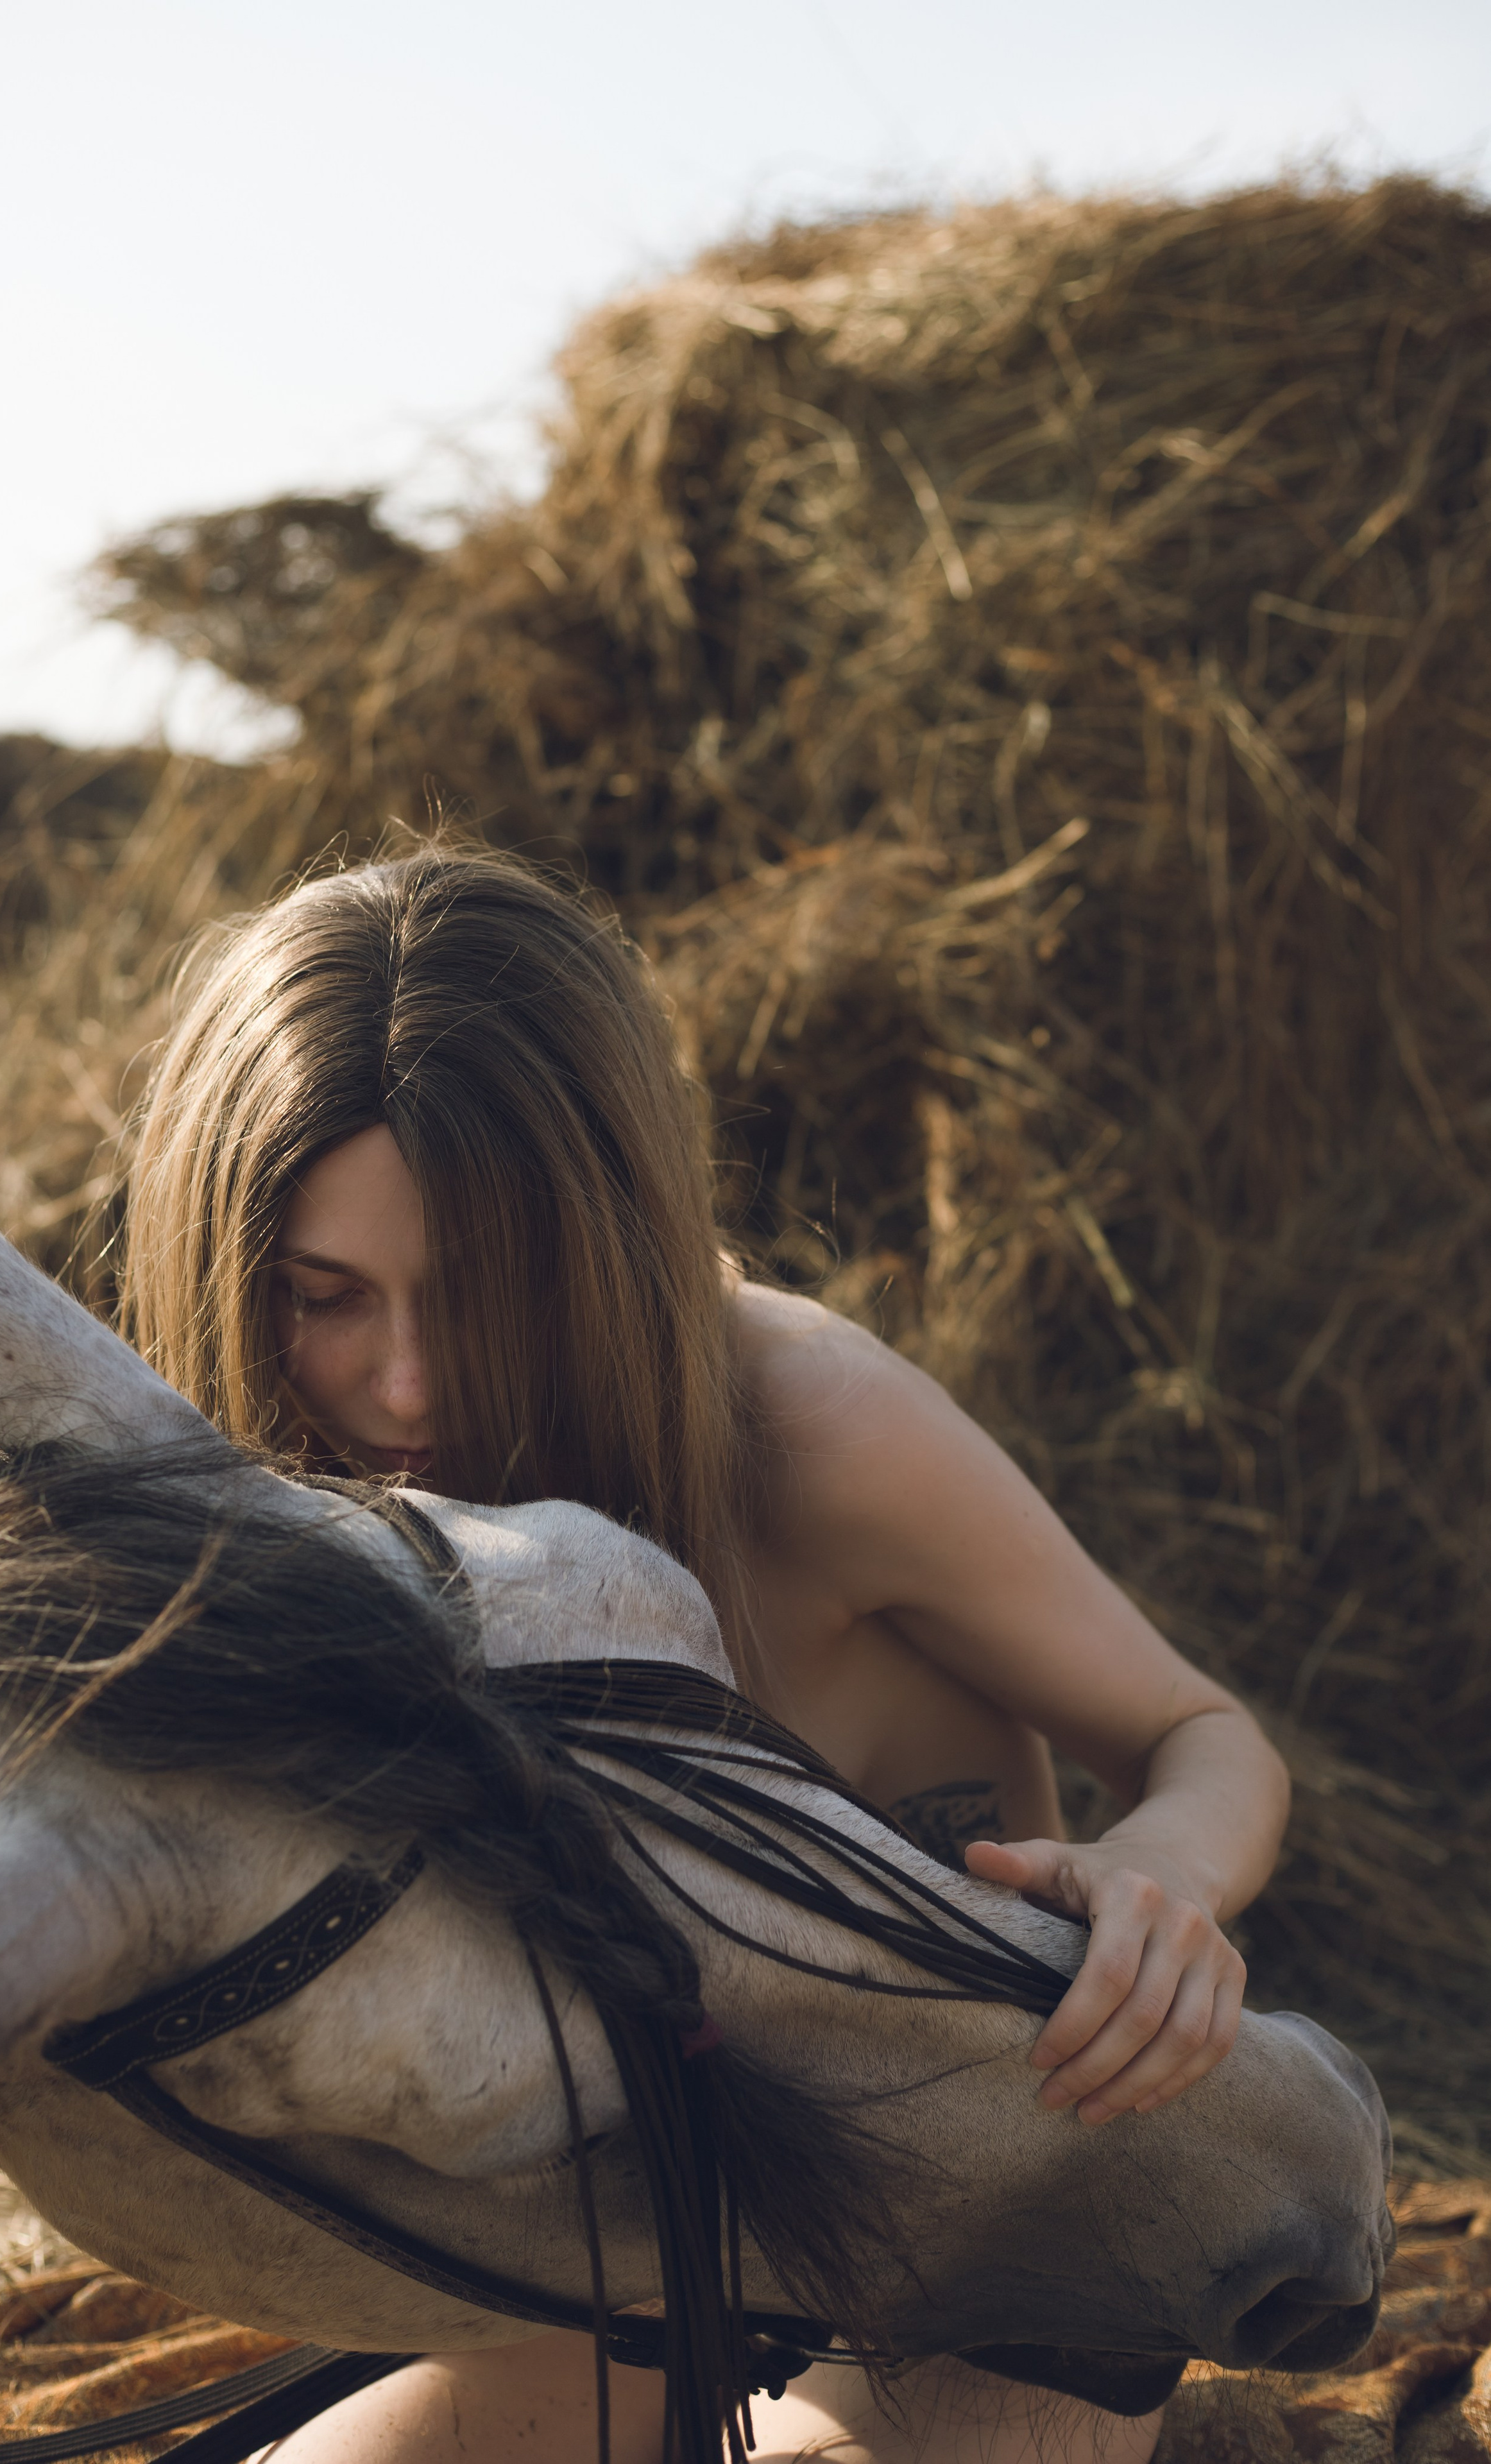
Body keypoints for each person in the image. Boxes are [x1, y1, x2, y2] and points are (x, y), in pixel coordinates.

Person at [119, 843, 1289, 2464]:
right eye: (323, 1297)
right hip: (594, 2275)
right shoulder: (287, 1528)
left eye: (474, 1295)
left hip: (991, 2239)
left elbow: (1201, 1729)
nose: (395, 1390)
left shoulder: (804, 1422)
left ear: (599, 1243)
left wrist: (1156, 1880)